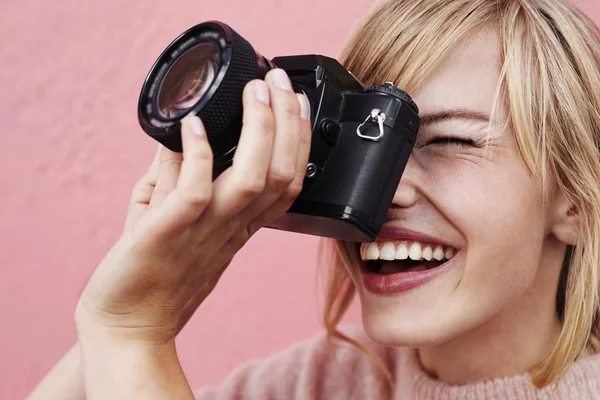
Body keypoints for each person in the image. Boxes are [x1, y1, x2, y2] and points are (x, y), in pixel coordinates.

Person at [27, 0, 600, 398]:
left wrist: (133, 337)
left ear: (573, 200)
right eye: (363, 142)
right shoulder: (320, 383)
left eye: (448, 141)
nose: (387, 190)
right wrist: (132, 305)